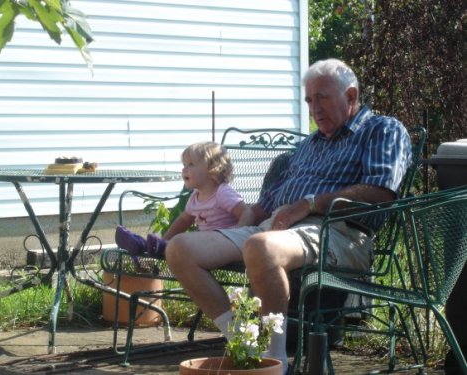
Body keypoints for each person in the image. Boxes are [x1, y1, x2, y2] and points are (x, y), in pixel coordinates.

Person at [165, 58, 413, 373]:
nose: (314, 108)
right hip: (273, 229)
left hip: (336, 233)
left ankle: (274, 360)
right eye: (309, 100)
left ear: (350, 97)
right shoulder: (309, 144)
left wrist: (308, 204)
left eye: (321, 97)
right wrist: (242, 222)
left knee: (261, 246)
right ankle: (245, 343)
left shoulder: (382, 129)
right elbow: (267, 203)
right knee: (180, 249)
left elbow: (382, 192)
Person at [115, 141, 255, 258]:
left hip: (224, 245)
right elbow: (184, 220)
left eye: (190, 164)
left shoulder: (222, 193)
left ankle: (150, 246)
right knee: (183, 242)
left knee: (185, 243)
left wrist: (238, 233)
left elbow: (247, 213)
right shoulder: (195, 196)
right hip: (206, 243)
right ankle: (145, 245)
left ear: (213, 169)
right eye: (184, 165)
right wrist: (166, 238)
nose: (184, 169)